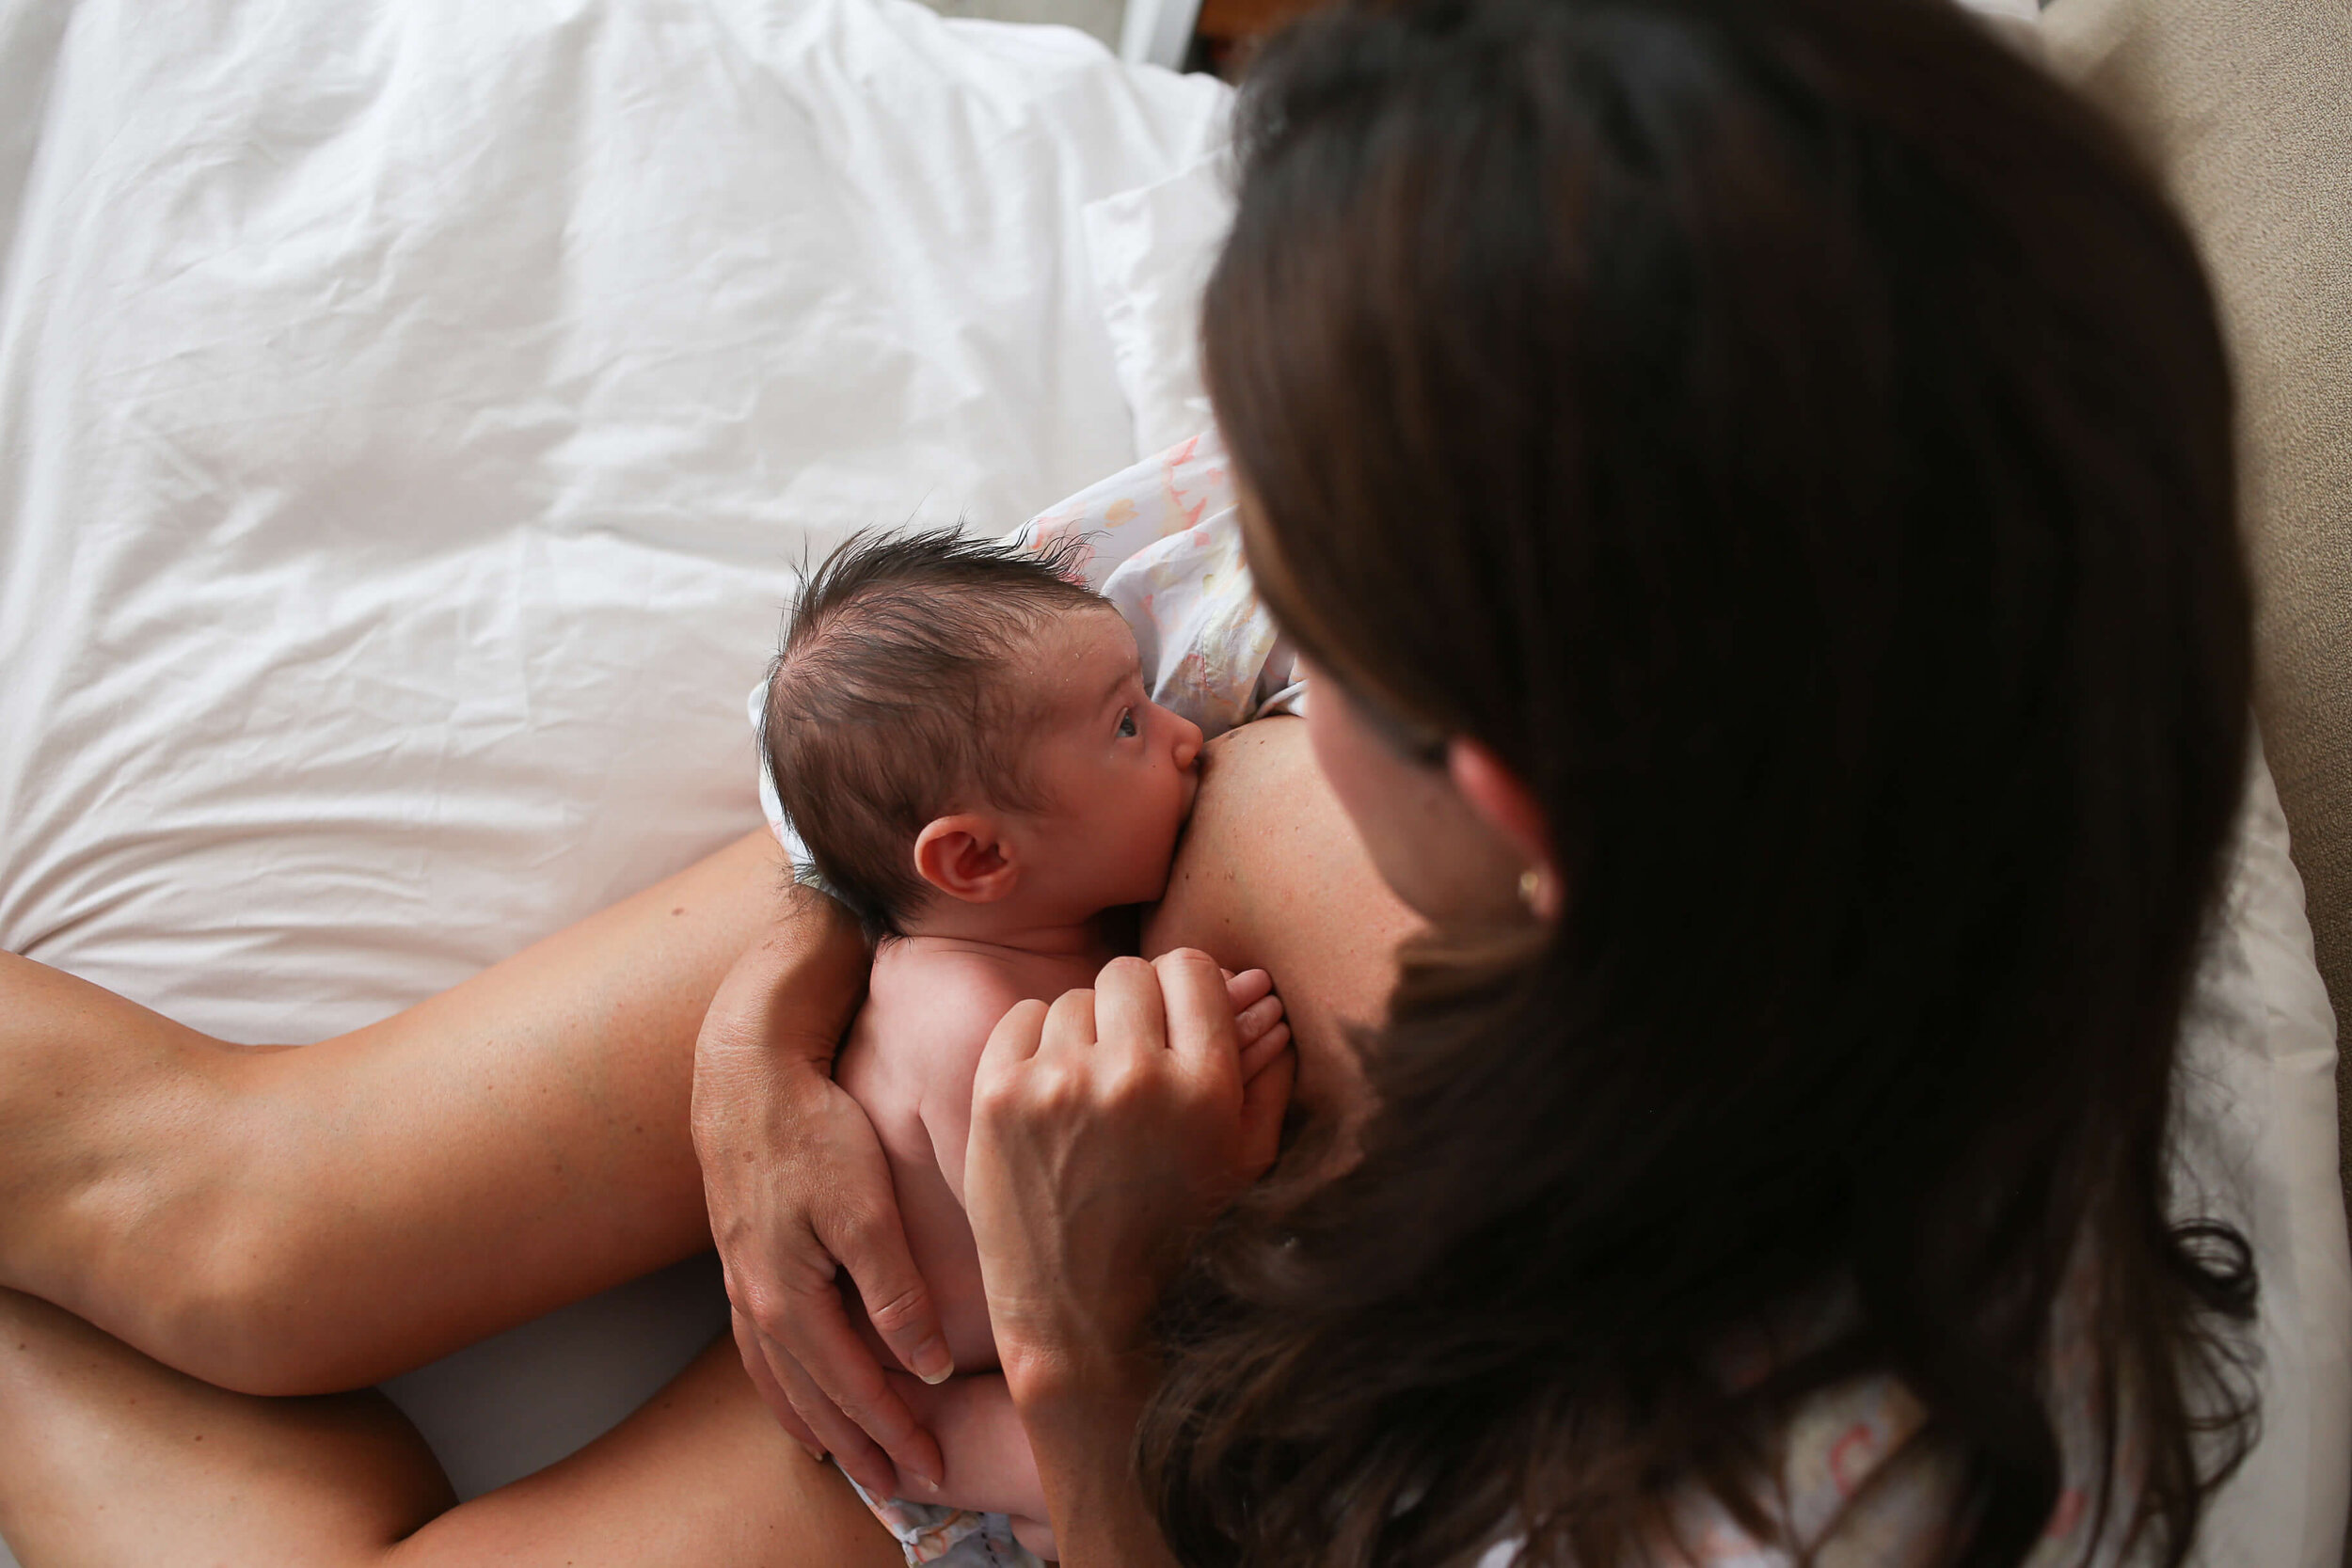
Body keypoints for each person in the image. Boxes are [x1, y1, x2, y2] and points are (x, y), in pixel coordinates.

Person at [0, 0, 2262, 1564]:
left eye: (1305, 610)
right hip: (956, 936)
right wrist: (780, 1010)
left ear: (1520, 807)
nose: (1226, 599)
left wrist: (1080, 1347)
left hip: (1153, 1416)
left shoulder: (1783, 1478)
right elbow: (1018, 677)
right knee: (239, 1223)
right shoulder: (1675, 444)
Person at [760, 527, 1295, 1560]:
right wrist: (1228, 1157)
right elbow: (1074, 1253)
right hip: (922, 1409)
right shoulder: (968, 1025)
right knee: (1186, 1477)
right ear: (975, 855)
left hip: (1005, 1358)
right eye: (1129, 725)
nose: (1187, 736)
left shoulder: (1040, 923)